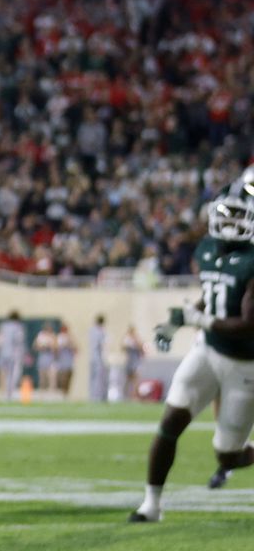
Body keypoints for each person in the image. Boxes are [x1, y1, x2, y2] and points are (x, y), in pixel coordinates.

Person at [131, 168, 254, 521]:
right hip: (208, 351)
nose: (232, 222)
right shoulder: (207, 250)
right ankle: (151, 505)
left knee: (227, 456)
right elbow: (212, 296)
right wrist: (176, 322)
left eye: (240, 215)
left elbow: (249, 323)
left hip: (244, 364)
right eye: (228, 214)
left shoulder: (252, 261)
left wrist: (203, 321)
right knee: (170, 422)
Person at [0, 310, 27, 400]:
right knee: (13, 375)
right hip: (14, 354)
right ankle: (9, 394)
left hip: (3, 353)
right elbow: (19, 340)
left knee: (2, 374)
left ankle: (1, 393)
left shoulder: (3, 326)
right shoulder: (18, 327)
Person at [122, 326, 145, 400]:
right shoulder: (128, 339)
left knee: (135, 379)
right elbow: (123, 347)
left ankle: (134, 395)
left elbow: (141, 348)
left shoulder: (135, 339)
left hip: (135, 361)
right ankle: (128, 395)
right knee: (130, 379)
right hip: (131, 361)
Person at [90, 314, 109, 402]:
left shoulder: (92, 330)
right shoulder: (101, 331)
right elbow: (101, 345)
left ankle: (93, 396)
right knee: (99, 378)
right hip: (98, 357)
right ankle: (98, 396)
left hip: (92, 357)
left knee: (93, 378)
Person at [34, 321, 57, 392]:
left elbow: (56, 348)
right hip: (42, 360)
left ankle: (51, 393)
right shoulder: (40, 336)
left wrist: (50, 346)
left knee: (51, 379)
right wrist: (42, 347)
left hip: (51, 360)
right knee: (42, 379)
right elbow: (35, 346)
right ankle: (42, 392)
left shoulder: (53, 336)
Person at [55, 323, 77, 398]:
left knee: (68, 379)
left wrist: (70, 344)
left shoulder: (70, 338)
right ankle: (61, 394)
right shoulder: (58, 338)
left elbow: (76, 350)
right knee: (62, 379)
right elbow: (55, 350)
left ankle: (66, 394)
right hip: (61, 363)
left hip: (69, 363)